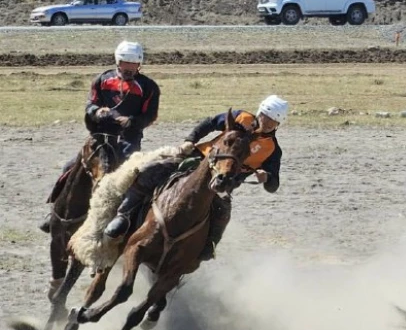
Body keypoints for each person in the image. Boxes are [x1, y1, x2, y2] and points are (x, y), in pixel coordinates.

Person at [103, 94, 289, 261]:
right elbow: (209, 123)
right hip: (199, 159)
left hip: (223, 182)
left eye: (273, 121)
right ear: (260, 112)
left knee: (223, 211)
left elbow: (274, 185)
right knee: (152, 171)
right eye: (266, 116)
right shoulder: (241, 118)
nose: (268, 123)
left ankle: (208, 247)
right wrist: (189, 140)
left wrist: (267, 178)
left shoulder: (272, 149)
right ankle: (124, 216)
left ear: (278, 124)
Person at [40, 40, 160, 232]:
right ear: (117, 62)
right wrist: (97, 112)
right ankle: (54, 209)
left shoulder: (149, 87)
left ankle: (127, 218)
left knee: (133, 173)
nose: (128, 68)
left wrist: (130, 121)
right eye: (125, 63)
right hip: (101, 136)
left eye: (133, 64)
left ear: (139, 64)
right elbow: (90, 104)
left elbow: (150, 115)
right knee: (70, 166)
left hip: (129, 140)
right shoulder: (102, 80)